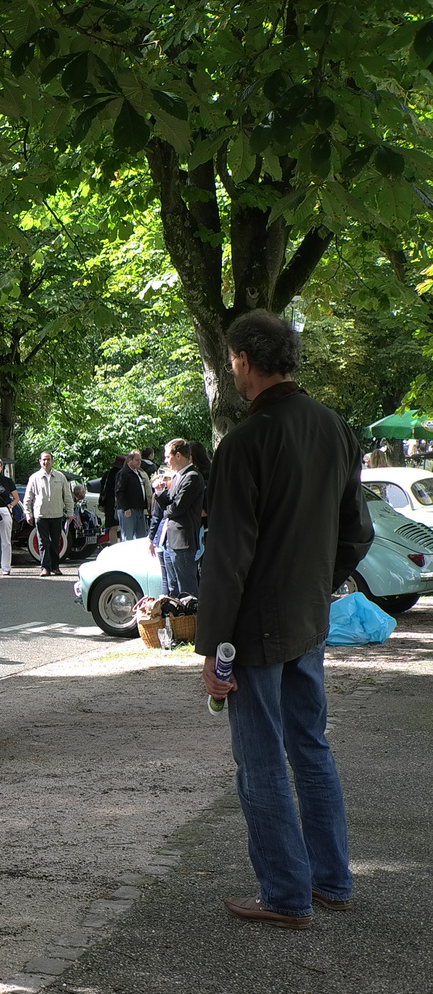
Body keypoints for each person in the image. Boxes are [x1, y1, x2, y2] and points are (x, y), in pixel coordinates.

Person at [198, 309, 372, 930]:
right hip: (307, 619)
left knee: (263, 760)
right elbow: (357, 533)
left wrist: (213, 649)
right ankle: (331, 880)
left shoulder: (246, 442)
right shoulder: (334, 428)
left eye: (234, 364)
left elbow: (227, 557)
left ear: (243, 361)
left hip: (254, 628)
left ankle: (285, 895)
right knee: (311, 747)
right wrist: (317, 584)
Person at [152, 438, 206, 597]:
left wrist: (166, 509)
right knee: (173, 586)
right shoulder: (177, 477)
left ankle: (192, 620)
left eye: (167, 456)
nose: (165, 461)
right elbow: (169, 502)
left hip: (183, 540)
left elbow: (176, 508)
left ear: (178, 455)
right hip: (170, 539)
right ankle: (178, 621)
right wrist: (160, 493)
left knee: (187, 587)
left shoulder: (192, 477)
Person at [23, 451, 77, 577]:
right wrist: (28, 514)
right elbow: (28, 498)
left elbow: (68, 496)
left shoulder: (60, 477)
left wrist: (70, 513)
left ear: (52, 461)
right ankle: (45, 568)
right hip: (40, 515)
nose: (46, 462)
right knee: (43, 542)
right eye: (44, 460)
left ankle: (55, 567)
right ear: (40, 462)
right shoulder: (34, 478)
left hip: (56, 514)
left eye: (48, 459)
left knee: (55, 543)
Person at [114, 449, 148, 541]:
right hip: (128, 510)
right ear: (130, 460)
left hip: (139, 508)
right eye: (137, 460)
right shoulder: (124, 473)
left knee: (141, 536)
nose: (139, 462)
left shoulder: (138, 473)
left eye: (140, 460)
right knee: (128, 537)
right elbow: (119, 492)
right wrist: (126, 508)